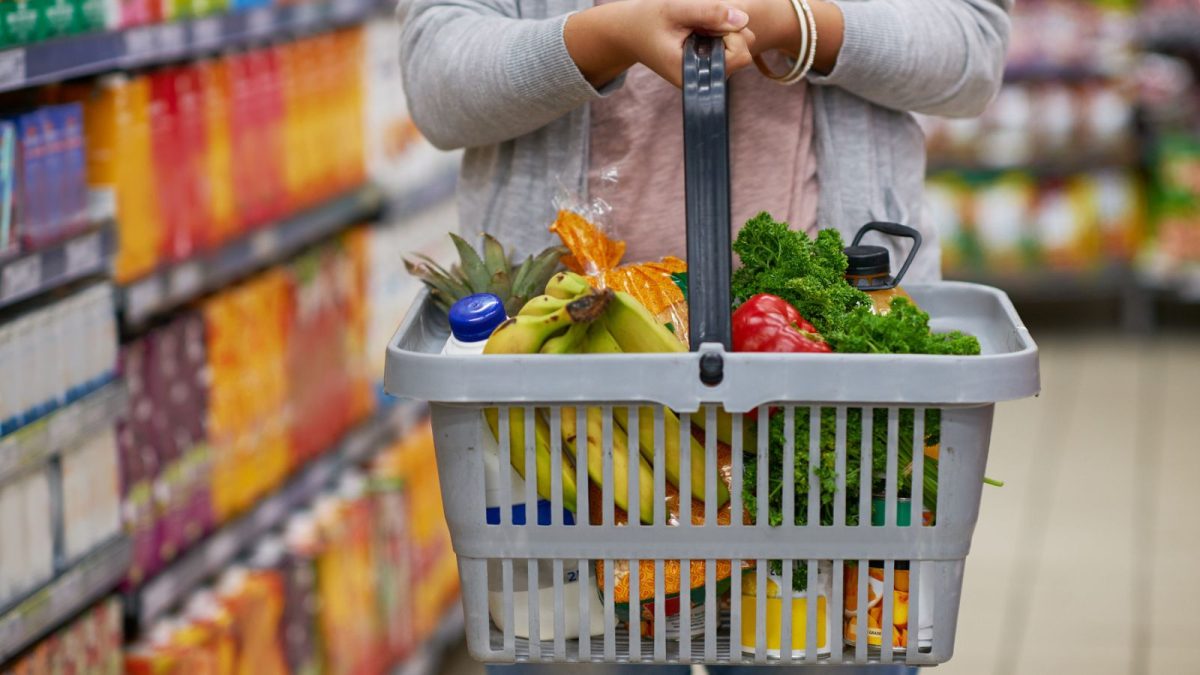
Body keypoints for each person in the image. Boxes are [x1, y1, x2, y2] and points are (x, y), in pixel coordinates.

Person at [398, 0, 1010, 671]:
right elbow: (437, 81)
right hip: (562, 380)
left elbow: (972, 48)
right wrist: (607, 37)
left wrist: (796, 23)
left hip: (828, 375)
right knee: (570, 635)